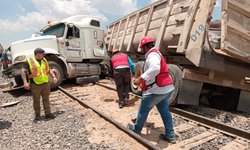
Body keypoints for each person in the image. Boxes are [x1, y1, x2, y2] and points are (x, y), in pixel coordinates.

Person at [127, 36, 176, 143]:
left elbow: (155, 68)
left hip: (156, 90)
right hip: (166, 89)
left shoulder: (152, 55)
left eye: (142, 48)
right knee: (165, 111)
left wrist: (140, 78)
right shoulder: (157, 53)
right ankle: (170, 135)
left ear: (144, 47)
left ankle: (136, 130)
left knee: (143, 110)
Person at [20, 48, 57, 121]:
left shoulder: (44, 60)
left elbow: (48, 70)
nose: (44, 55)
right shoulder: (28, 61)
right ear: (38, 54)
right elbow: (23, 71)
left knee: (46, 99)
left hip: (45, 83)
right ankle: (37, 115)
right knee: (36, 100)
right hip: (35, 84)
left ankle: (48, 113)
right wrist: (25, 82)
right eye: (42, 53)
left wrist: (54, 77)